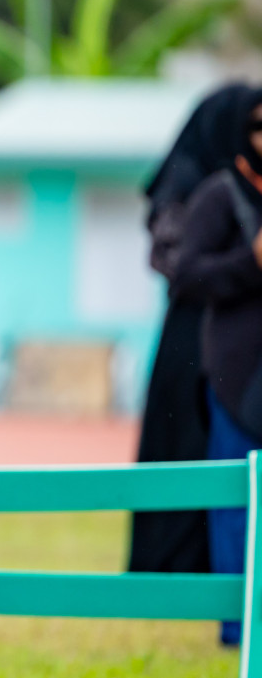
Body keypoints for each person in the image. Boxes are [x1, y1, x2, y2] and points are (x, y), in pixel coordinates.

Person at [133, 84, 262, 574]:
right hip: (195, 337)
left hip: (235, 334)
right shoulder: (195, 181)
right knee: (190, 453)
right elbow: (173, 261)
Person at [170, 115, 262, 645]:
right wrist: (251, 262)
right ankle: (236, 623)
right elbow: (188, 273)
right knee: (234, 498)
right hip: (238, 374)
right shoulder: (223, 193)